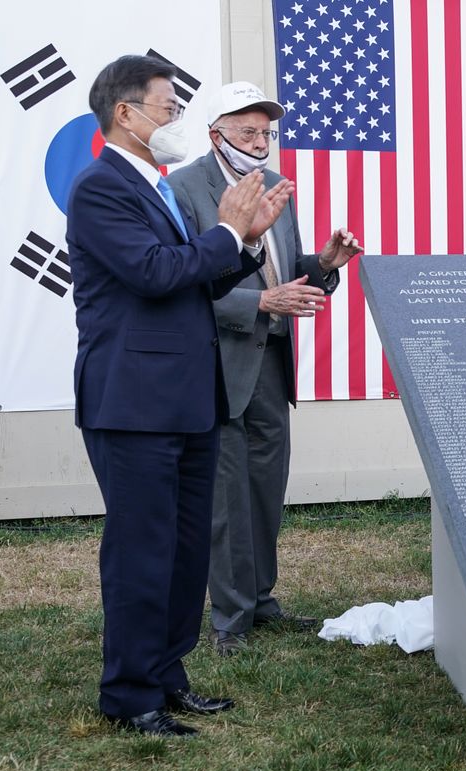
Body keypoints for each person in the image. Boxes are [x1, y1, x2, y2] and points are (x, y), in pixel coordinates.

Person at [68, 55, 293, 736]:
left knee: (186, 550)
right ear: (125, 113)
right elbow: (153, 272)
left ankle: (167, 676)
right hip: (134, 402)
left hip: (189, 398)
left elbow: (195, 280)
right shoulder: (100, 188)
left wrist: (245, 243)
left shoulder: (156, 186)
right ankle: (130, 695)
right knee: (142, 551)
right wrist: (226, 232)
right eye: (167, 107)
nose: (175, 119)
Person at [168, 82, 360, 655]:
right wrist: (259, 303)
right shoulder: (183, 189)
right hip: (217, 360)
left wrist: (323, 263)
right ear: (216, 135)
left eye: (267, 132)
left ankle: (260, 599)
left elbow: (280, 269)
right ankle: (230, 619)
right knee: (226, 497)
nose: (260, 142)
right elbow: (183, 286)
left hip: (272, 357)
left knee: (265, 487)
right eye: (248, 131)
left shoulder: (276, 186)